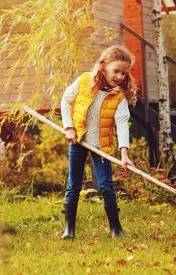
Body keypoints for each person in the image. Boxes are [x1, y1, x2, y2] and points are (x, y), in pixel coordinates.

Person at [60, 45, 137, 239]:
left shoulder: (119, 96)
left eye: (123, 73)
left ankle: (116, 229)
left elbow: (121, 124)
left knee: (106, 185)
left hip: (102, 145)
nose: (119, 76)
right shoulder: (84, 81)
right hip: (78, 140)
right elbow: (66, 101)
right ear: (103, 67)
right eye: (116, 71)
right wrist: (69, 127)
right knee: (74, 184)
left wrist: (124, 154)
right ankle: (69, 229)